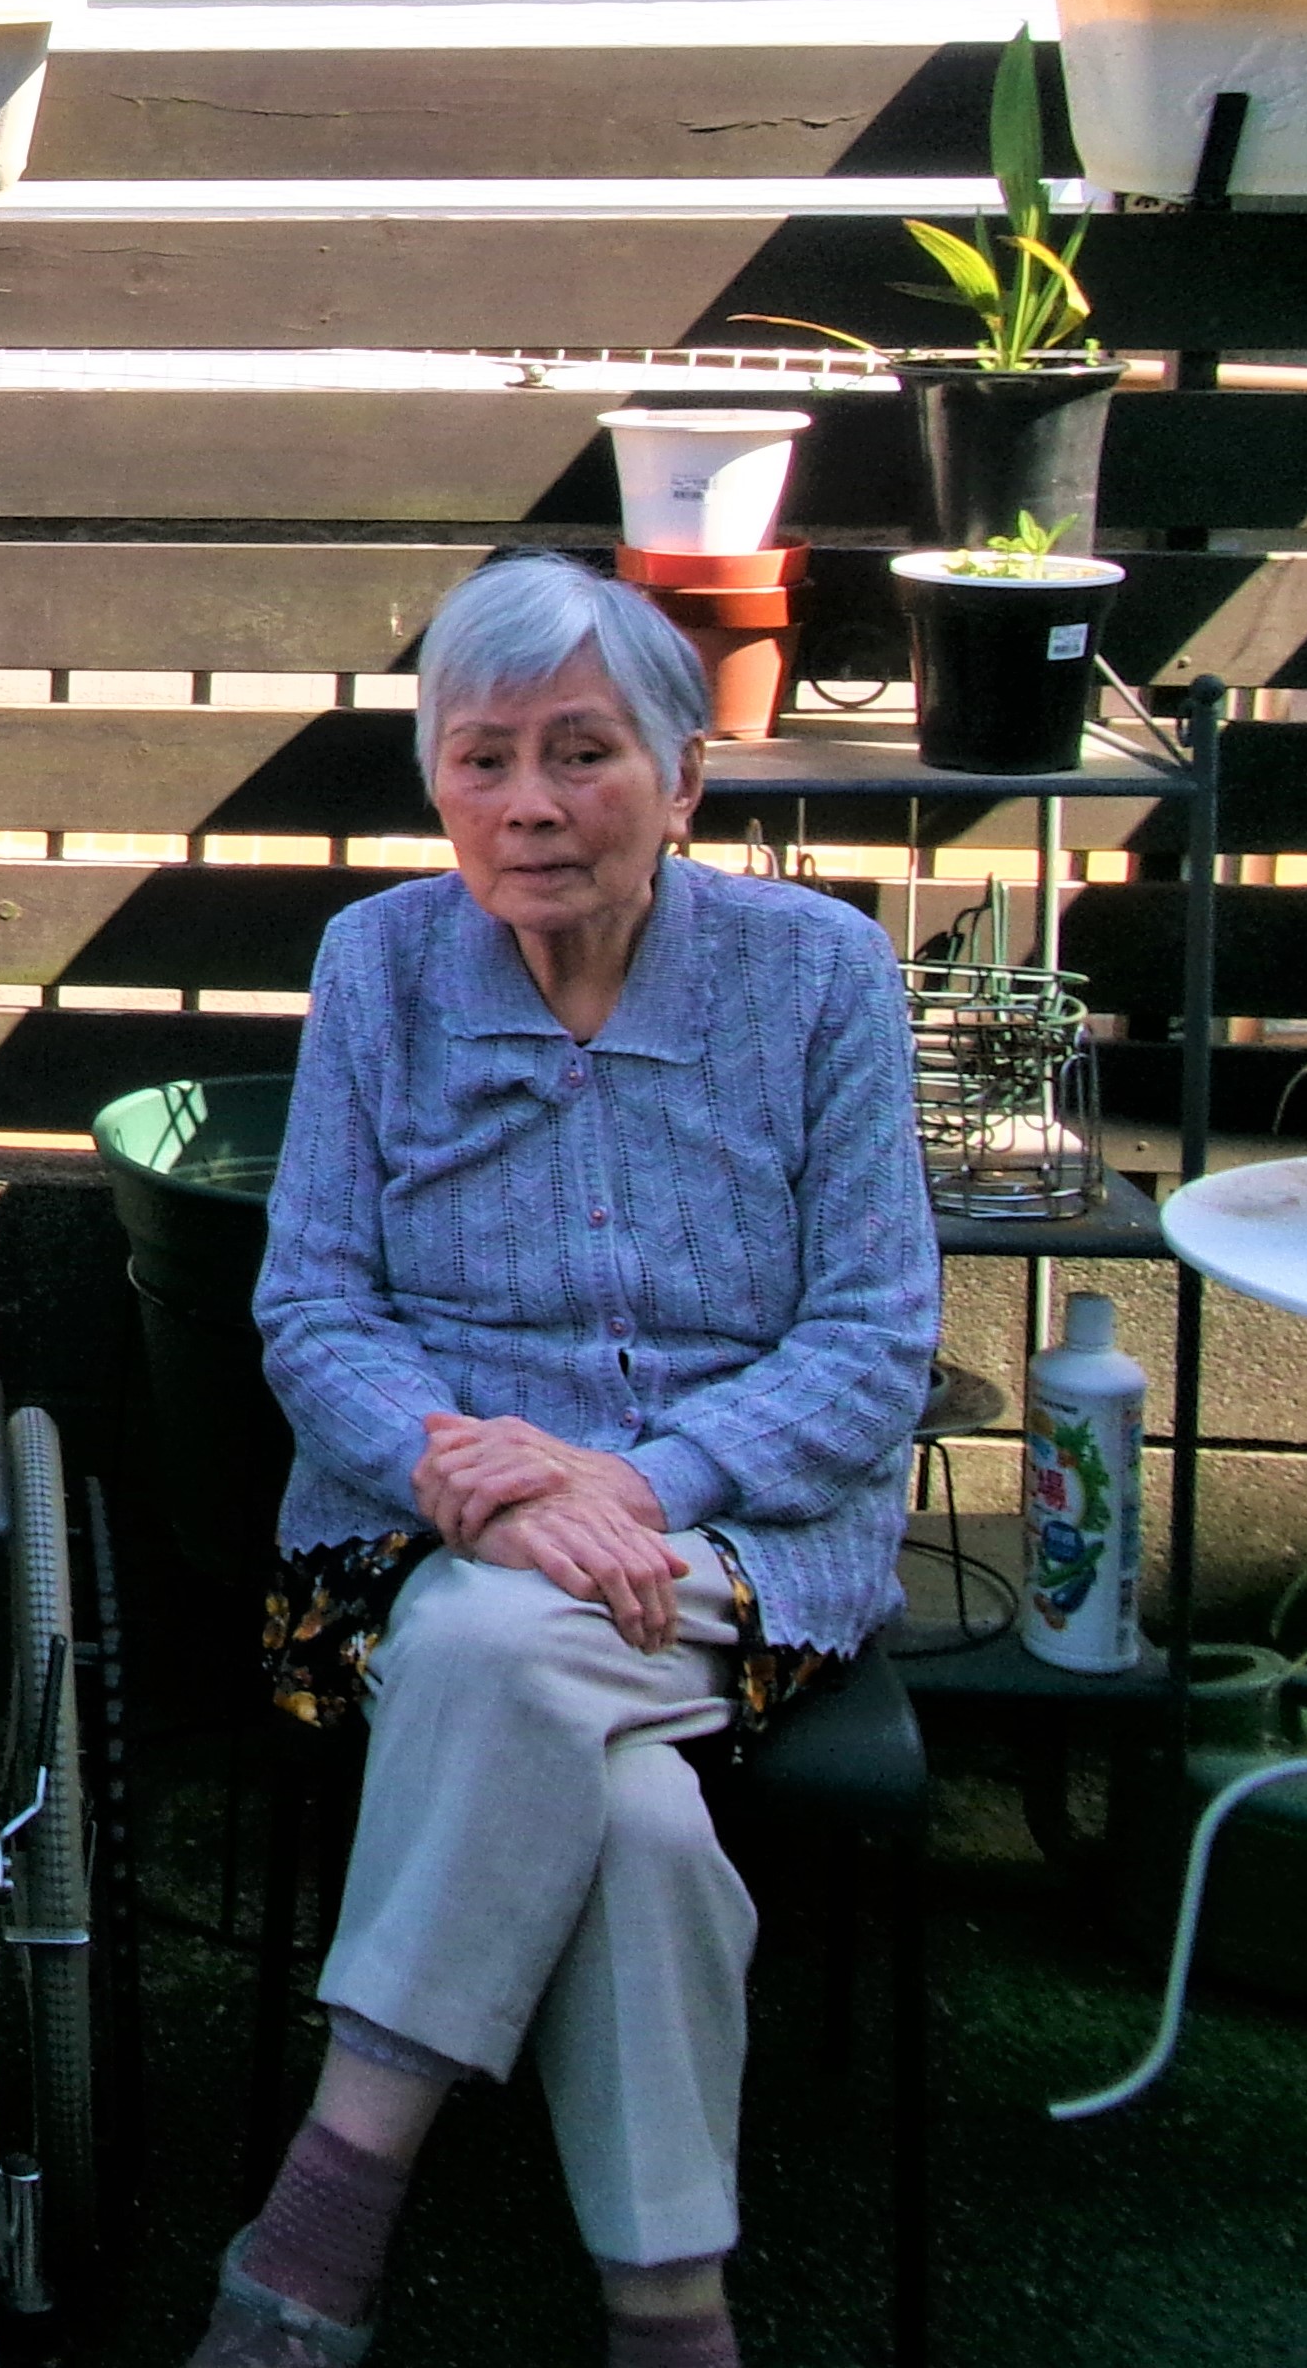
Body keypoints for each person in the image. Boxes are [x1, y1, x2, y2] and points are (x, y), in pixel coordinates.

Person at [190, 555, 938, 2368]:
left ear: (685, 780)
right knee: (636, 1815)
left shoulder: (819, 976)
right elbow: (316, 1313)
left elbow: (873, 1339)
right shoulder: (380, 965)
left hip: (734, 1550)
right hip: (418, 1534)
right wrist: (483, 1477)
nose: (529, 803)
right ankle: (672, 2313)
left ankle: (324, 2221)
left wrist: (640, 1486)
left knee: (501, 1644)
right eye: (484, 758)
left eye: (583, 752)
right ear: (440, 786)